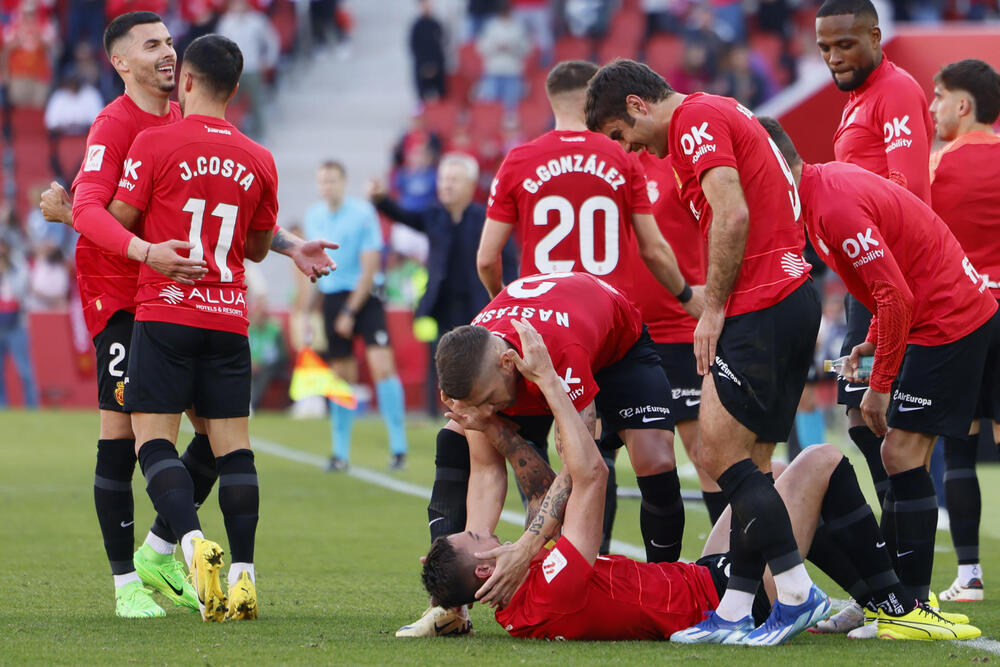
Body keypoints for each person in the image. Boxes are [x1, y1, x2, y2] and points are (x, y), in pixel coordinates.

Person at [38, 11, 337, 620]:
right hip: (123, 295)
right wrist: (124, 241)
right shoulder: (114, 126)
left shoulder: (177, 123)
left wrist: (289, 245)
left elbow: (214, 205)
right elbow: (94, 211)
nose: (167, 53)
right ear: (121, 63)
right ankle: (126, 584)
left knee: (208, 436)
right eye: (151, 45)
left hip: (179, 297)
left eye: (171, 42)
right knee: (121, 435)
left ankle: (159, 548)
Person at [422, 317, 979, 642]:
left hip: (701, 578)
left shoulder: (519, 603)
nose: (486, 530)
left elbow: (546, 495)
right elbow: (588, 474)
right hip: (720, 598)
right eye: (477, 538)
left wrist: (496, 428)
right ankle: (893, 603)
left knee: (771, 479)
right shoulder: (550, 589)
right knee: (821, 460)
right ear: (486, 568)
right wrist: (546, 379)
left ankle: (862, 600)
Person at [585, 59, 825, 645]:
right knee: (750, 462)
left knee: (718, 456)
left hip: (761, 304)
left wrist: (712, 307)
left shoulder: (694, 119)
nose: (631, 150)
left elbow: (732, 211)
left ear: (639, 106)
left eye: (622, 135)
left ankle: (796, 593)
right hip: (788, 295)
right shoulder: (714, 112)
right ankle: (738, 605)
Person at [762, 117, 997, 631]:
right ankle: (888, 599)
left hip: (949, 318)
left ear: (772, 167)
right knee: (894, 453)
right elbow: (887, 284)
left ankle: (907, 607)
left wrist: (880, 383)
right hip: (930, 315)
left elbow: (896, 294)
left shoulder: (831, 204)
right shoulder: (819, 193)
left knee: (898, 451)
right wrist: (874, 346)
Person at [107, 33, 279, 622]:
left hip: (165, 311)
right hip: (228, 318)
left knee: (152, 441)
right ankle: (245, 574)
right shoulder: (259, 157)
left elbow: (121, 221)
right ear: (235, 90)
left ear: (185, 83)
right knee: (235, 452)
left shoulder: (156, 142)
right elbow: (256, 247)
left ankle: (187, 542)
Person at [814, 0, 933, 519]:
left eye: (845, 44)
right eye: (824, 48)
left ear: (876, 37)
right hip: (868, 281)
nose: (834, 57)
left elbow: (909, 192)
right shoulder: (858, 98)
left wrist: (880, 263)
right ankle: (892, 552)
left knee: (882, 425)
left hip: (890, 276)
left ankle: (901, 562)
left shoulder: (896, 89)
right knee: (862, 421)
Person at [926, 58, 1000, 603]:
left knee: (960, 444)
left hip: (964, 317)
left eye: (938, 97)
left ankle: (969, 576)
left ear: (963, 105)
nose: (930, 109)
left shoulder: (935, 168)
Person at [369, 152, 518, 415]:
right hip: (441, 302)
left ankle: (478, 407)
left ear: (471, 185)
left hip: (477, 304)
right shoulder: (434, 215)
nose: (446, 185)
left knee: (477, 359)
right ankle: (433, 412)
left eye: (454, 180)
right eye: (443, 179)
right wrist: (380, 200)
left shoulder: (485, 219)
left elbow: (506, 259)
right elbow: (404, 216)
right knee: (438, 358)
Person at [633, 150, 723, 526]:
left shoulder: (679, 162)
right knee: (637, 456)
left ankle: (735, 563)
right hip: (618, 333)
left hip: (678, 329)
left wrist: (713, 296)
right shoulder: (606, 165)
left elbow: (723, 225)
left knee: (705, 453)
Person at [304, 161, 409, 472]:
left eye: (332, 180)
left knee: (382, 368)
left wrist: (350, 311)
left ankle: (399, 448)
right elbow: (316, 268)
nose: (327, 186)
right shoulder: (314, 217)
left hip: (365, 298)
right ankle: (340, 454)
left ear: (343, 181)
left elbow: (371, 266)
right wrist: (308, 310)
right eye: (322, 181)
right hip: (333, 299)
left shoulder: (363, 213)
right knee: (342, 377)